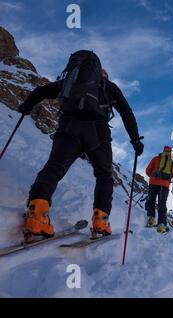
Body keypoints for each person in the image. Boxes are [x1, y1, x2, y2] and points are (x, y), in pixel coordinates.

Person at [18, 50, 144, 241]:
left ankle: (37, 214)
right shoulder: (108, 87)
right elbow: (127, 112)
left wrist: (26, 107)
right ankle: (101, 220)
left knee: (55, 167)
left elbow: (40, 92)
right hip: (98, 132)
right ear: (102, 74)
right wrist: (135, 140)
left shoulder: (69, 82)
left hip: (69, 128)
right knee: (103, 175)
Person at [145, 146, 173, 233]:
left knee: (151, 200)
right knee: (162, 204)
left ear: (163, 151)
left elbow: (147, 171)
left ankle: (151, 221)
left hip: (153, 183)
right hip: (165, 185)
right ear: (171, 152)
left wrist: (154, 177)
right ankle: (161, 225)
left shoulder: (156, 158)